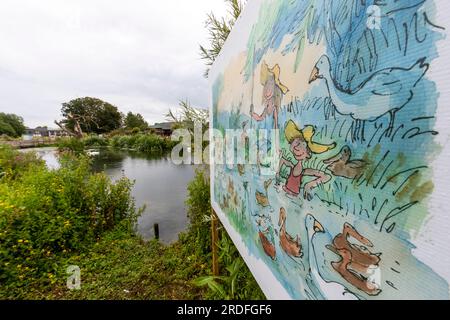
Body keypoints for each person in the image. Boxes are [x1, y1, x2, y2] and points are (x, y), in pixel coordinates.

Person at [277, 120, 335, 200]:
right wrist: (277, 171)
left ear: (308, 154)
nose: (296, 148)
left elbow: (327, 177)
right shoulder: (292, 166)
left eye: (301, 144)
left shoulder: (304, 171)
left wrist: (310, 184)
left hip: (292, 196)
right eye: (296, 143)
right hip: (286, 192)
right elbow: (283, 160)